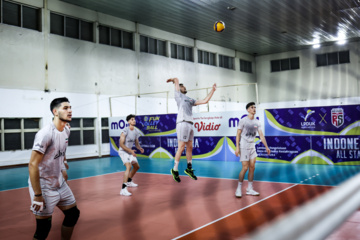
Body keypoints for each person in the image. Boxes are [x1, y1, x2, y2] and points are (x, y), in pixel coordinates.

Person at [28, 97, 80, 240]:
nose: (70, 111)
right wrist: (37, 195)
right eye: (65, 108)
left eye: (70, 107)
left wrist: (63, 166)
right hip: (44, 186)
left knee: (73, 214)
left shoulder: (66, 130)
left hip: (59, 183)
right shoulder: (45, 134)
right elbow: (33, 164)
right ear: (55, 112)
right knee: (43, 229)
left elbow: (61, 150)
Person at [167, 77, 216, 182]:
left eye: (184, 86)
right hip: (182, 123)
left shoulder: (190, 99)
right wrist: (172, 80)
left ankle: (189, 168)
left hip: (190, 124)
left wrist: (212, 90)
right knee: (181, 147)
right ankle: (174, 170)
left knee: (190, 147)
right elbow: (176, 79)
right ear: (179, 88)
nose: (184, 87)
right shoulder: (178, 96)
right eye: (182, 86)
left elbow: (205, 101)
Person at [235, 102, 271, 198]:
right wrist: (237, 147)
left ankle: (249, 189)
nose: (254, 109)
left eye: (255, 107)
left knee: (252, 167)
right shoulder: (243, 121)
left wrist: (266, 147)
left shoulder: (257, 122)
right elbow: (238, 134)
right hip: (243, 145)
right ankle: (238, 188)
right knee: (245, 168)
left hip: (252, 146)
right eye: (252, 107)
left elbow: (261, 136)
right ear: (248, 110)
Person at [118, 114, 144, 196]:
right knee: (128, 167)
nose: (134, 121)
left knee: (136, 167)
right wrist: (130, 151)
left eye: (134, 119)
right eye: (132, 119)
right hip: (123, 151)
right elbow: (121, 144)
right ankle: (123, 189)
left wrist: (139, 148)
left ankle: (129, 181)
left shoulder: (136, 131)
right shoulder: (125, 130)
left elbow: (136, 143)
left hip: (130, 151)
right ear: (129, 121)